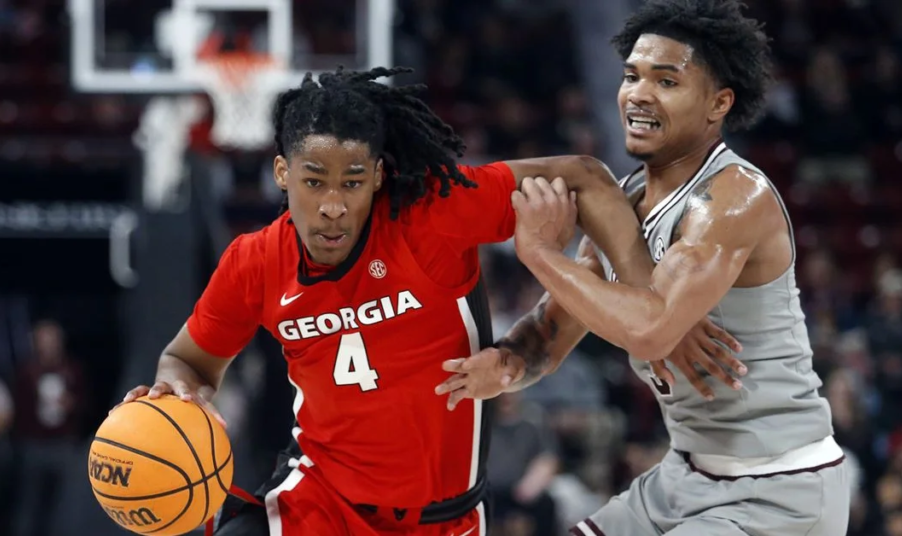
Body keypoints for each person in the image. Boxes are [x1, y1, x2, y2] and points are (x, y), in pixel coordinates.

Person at [114, 66, 734, 536]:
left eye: (353, 182)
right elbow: (188, 360)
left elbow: (587, 179)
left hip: (446, 517)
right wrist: (179, 389)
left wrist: (656, 306)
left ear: (379, 177)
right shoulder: (254, 261)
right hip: (321, 504)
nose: (333, 205)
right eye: (313, 181)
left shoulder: (431, 214)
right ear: (282, 173)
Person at [439, 1, 851, 535]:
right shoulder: (627, 198)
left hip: (780, 487)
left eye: (666, 81)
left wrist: (540, 253)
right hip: (684, 474)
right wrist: (505, 365)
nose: (639, 93)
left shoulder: (732, 198)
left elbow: (651, 330)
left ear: (718, 103)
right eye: (632, 76)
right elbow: (549, 332)